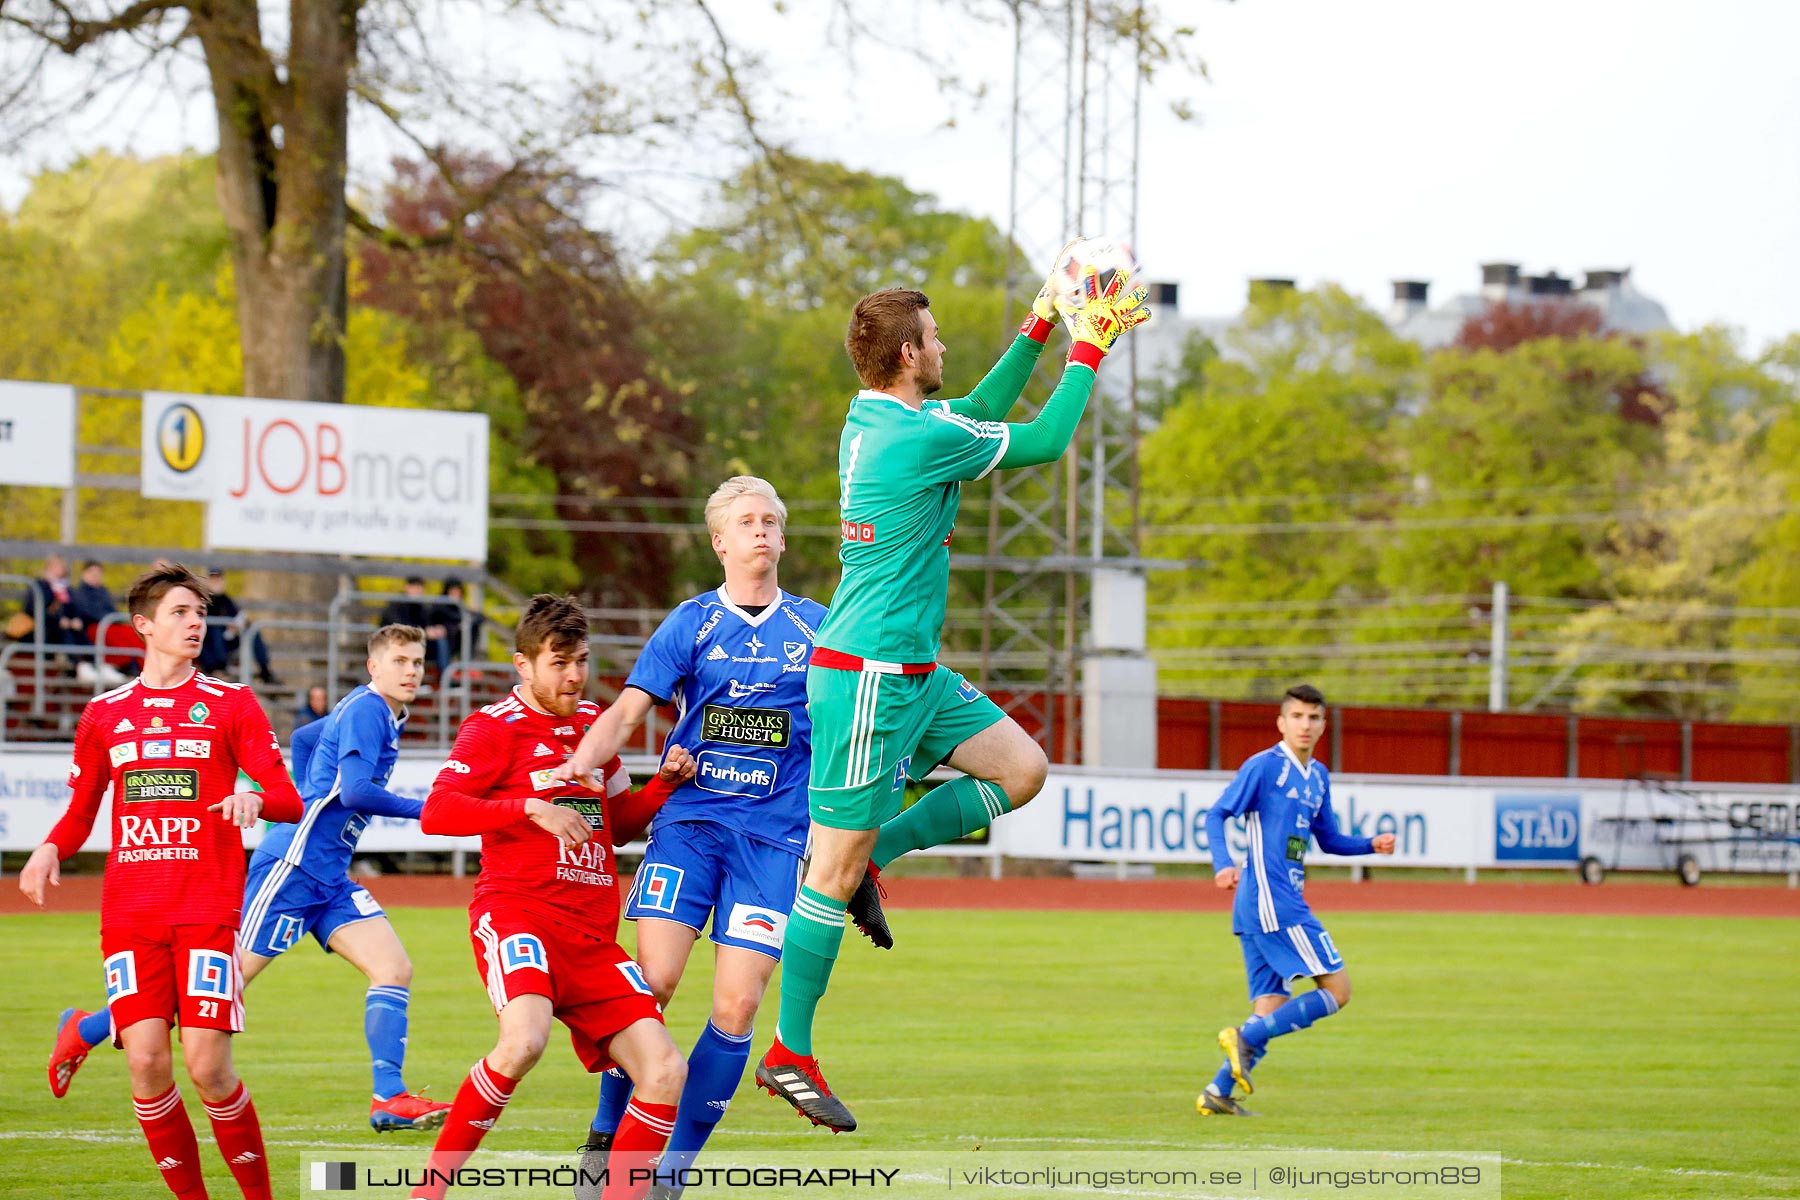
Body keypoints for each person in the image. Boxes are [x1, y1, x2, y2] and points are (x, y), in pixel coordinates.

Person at [752, 264, 1151, 1132]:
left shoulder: (886, 414)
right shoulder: (912, 438)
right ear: (907, 353)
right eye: (933, 339)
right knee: (827, 870)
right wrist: (1094, 341)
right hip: (866, 680)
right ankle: (788, 1053)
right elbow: (1043, 439)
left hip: (913, 671)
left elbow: (972, 405)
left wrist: (1043, 323)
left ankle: (879, 857)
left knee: (1021, 768)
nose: (944, 347)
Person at [48, 628, 454, 1132]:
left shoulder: (377, 712)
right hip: (290, 870)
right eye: (400, 661)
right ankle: (85, 1029)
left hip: (326, 876)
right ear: (374, 667)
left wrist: (306, 794)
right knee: (217, 988)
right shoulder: (369, 709)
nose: (412, 671)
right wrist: (429, 811)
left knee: (393, 967)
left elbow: (305, 739)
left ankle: (388, 1097)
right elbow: (355, 792)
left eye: (417, 662)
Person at [555, 476, 826, 1197]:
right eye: (747, 521)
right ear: (721, 542)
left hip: (771, 842)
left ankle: (670, 1174)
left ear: (784, 538)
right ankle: (608, 1134)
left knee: (737, 1006)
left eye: (772, 519)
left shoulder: (818, 627)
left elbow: (853, 724)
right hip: (690, 828)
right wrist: (580, 763)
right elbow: (627, 710)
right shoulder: (692, 622)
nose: (762, 530)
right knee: (655, 985)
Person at [20, 563, 305, 1200]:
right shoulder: (103, 714)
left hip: (206, 909)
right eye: (180, 613)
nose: (195, 623)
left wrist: (250, 794)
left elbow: (288, 797)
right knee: (147, 1066)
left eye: (200, 613)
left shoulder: (232, 703)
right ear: (143, 626)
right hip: (130, 915)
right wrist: (48, 848)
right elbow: (80, 809)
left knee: (208, 1067)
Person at [408, 594, 695, 1200]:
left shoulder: (597, 725)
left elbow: (620, 819)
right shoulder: (494, 728)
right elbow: (437, 812)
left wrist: (664, 785)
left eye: (581, 661)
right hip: (519, 917)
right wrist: (528, 807)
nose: (572, 675)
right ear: (524, 665)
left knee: (666, 1071)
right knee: (524, 1041)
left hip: (592, 939)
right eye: (559, 662)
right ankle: (428, 1192)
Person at [1197, 684, 1397, 1117]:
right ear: (1281, 722)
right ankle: (1244, 1040)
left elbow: (1329, 839)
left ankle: (1217, 1092)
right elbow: (1217, 813)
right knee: (1338, 991)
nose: (1306, 725)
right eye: (1298, 717)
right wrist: (1222, 863)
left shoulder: (1318, 777)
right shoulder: (1264, 767)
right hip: (1272, 900)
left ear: (1324, 725)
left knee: (1270, 1006)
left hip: (1267, 903)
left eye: (1314, 718)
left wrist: (1370, 846)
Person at [199, 568, 278, 686]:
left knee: (253, 631)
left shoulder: (226, 600)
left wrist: (237, 627)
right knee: (215, 630)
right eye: (213, 579)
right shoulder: (204, 599)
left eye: (217, 579)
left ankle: (265, 670)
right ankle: (218, 668)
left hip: (226, 640)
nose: (215, 582)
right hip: (208, 644)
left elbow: (239, 617)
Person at [71, 561, 129, 688]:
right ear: (84, 574)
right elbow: (88, 613)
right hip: (93, 628)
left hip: (108, 625)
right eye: (92, 573)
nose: (95, 576)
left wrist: (112, 618)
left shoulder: (103, 592)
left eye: (98, 573)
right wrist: (109, 618)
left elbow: (111, 610)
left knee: (131, 632)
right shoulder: (79, 593)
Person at [381, 577, 449, 677]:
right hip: (394, 641)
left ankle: (446, 677)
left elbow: (426, 624)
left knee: (440, 641)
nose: (417, 591)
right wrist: (424, 632)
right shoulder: (396, 605)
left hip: (414, 640)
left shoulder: (421, 606)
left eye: (419, 588)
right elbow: (399, 627)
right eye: (414, 587)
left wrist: (435, 630)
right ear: (407, 588)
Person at [431, 578, 483, 674]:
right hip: (437, 644)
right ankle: (446, 674)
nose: (455, 593)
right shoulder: (439, 605)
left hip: (456, 642)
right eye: (453, 591)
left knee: (472, 628)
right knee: (441, 639)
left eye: (457, 591)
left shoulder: (460, 607)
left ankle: (466, 664)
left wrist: (462, 624)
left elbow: (480, 617)